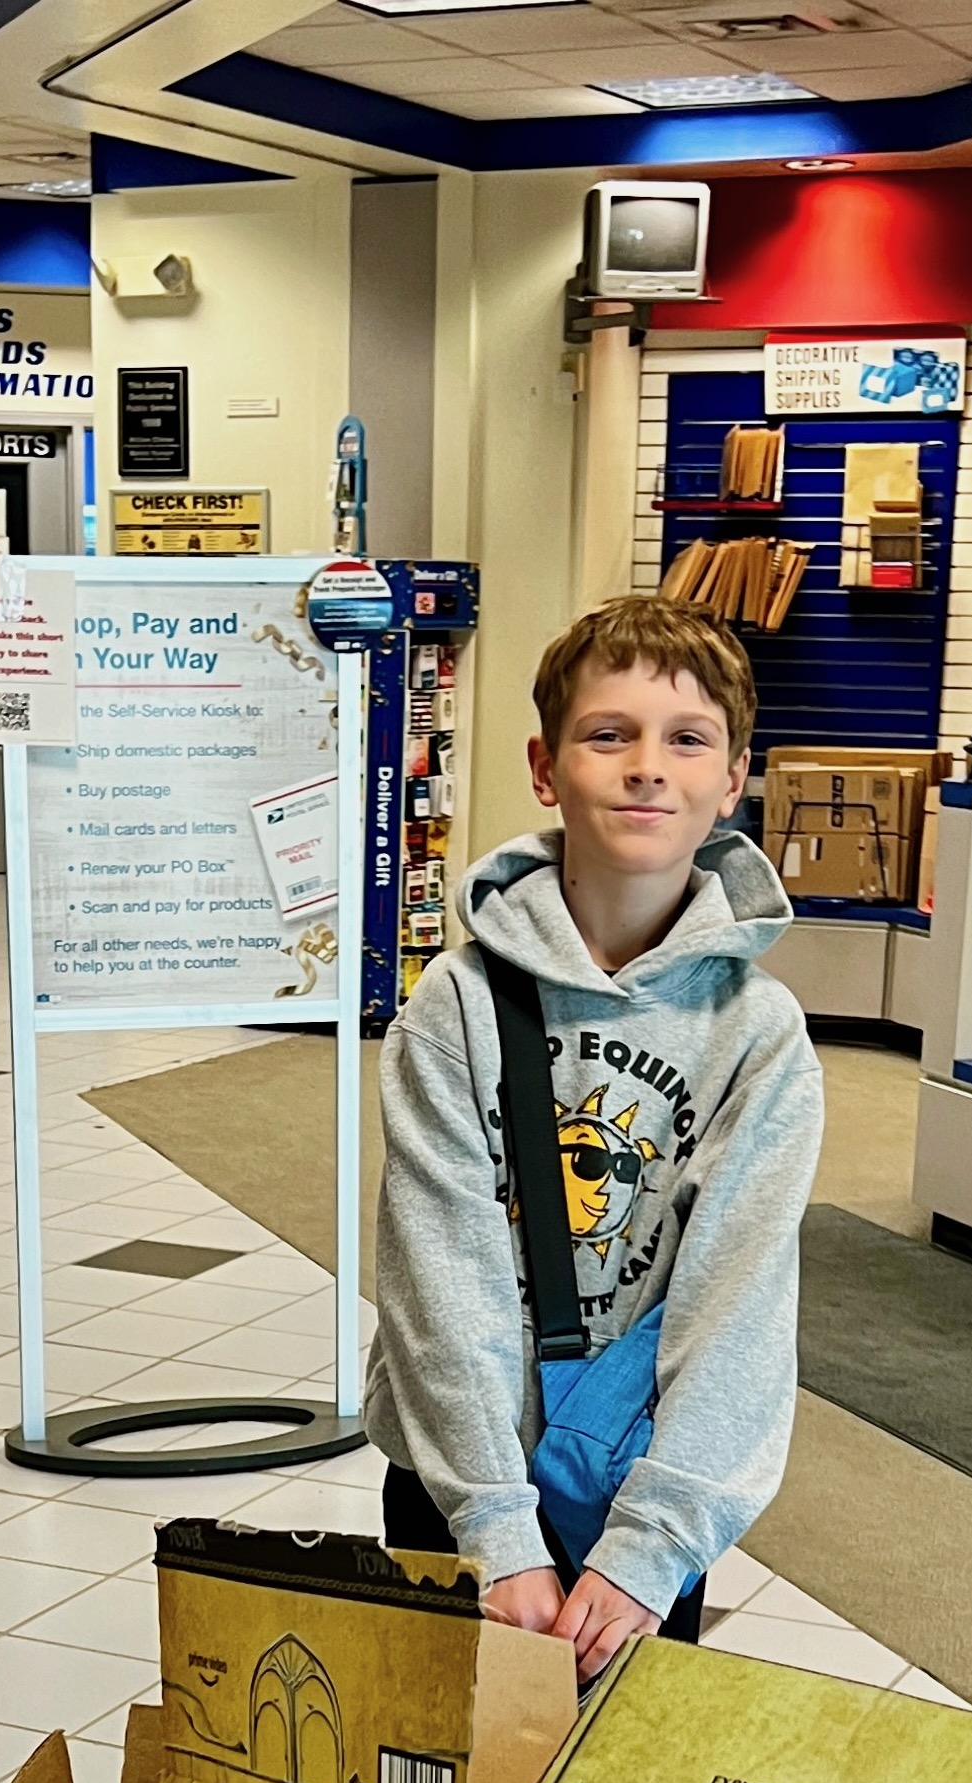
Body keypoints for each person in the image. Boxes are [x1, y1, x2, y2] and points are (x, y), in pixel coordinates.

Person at [364, 593, 823, 1681]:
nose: (647, 767)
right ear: (544, 764)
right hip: (454, 1480)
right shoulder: (457, 1007)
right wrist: (494, 1526)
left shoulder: (757, 1038)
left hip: (637, 1495)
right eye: (608, 733)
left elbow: (739, 1305)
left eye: (687, 739)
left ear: (732, 777)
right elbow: (439, 1280)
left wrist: (653, 1546)